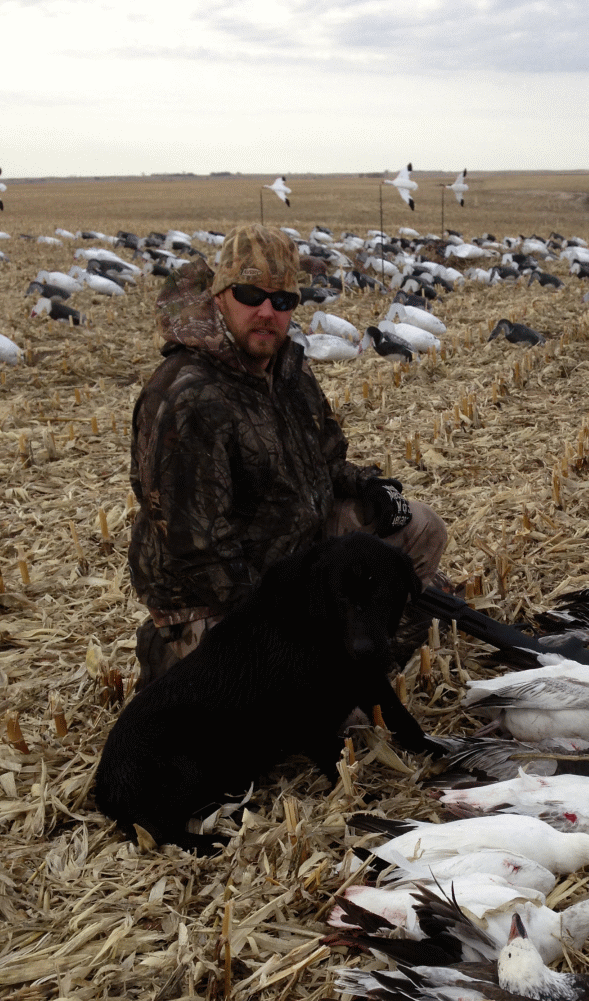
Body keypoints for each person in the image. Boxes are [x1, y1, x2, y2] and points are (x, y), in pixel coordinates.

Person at [128, 224, 447, 686]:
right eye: (250, 293)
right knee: (322, 718)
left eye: (281, 301)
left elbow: (326, 460)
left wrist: (369, 486)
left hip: (297, 551)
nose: (266, 312)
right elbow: (197, 552)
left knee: (421, 530)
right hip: (216, 594)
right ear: (220, 295)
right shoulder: (188, 397)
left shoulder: (289, 371)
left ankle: (363, 660)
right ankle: (180, 656)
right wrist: (291, 621)